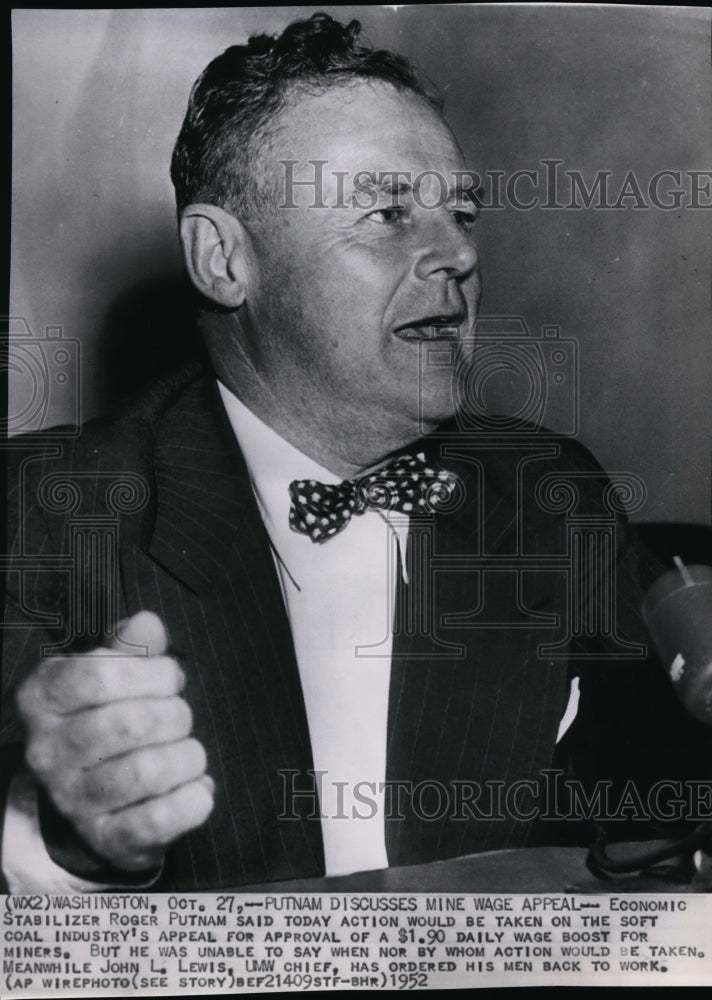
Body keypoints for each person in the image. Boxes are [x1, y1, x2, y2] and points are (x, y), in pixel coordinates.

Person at [2, 12, 710, 892]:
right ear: (223, 260)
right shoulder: (39, 512)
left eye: (460, 211)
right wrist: (62, 837)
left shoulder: (549, 491)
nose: (455, 252)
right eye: (385, 213)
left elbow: (665, 801)